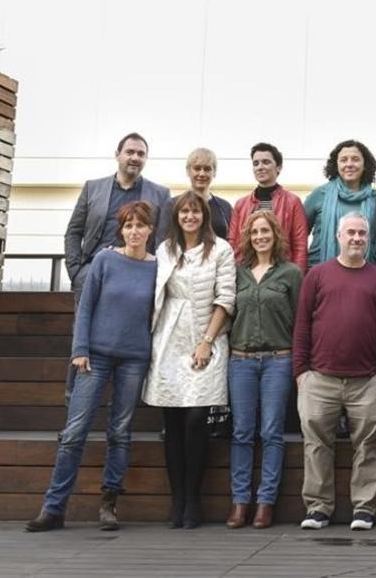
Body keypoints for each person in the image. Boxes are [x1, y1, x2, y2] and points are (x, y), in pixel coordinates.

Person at [26, 201, 159, 532]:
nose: (134, 231)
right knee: (74, 432)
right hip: (94, 356)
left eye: (140, 225)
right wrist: (80, 349)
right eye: (128, 225)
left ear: (150, 230)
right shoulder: (105, 259)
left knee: (120, 431)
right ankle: (53, 508)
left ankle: (109, 504)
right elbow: (85, 307)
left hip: (134, 358)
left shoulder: (158, 267)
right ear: (121, 229)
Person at [293, 212, 376, 531]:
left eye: (362, 233)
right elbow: (302, 326)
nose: (356, 238)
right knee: (316, 445)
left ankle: (364, 508)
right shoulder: (317, 275)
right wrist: (301, 372)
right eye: (350, 232)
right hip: (319, 378)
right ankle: (318, 507)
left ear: (368, 239)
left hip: (366, 381)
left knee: (368, 445)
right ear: (338, 236)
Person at [144, 191, 237, 529]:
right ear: (176, 216)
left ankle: (194, 499)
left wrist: (207, 341)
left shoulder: (221, 249)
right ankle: (177, 499)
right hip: (169, 338)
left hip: (205, 337)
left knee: (198, 417)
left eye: (195, 211)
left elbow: (226, 297)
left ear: (204, 215)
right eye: (183, 211)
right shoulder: (165, 250)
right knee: (174, 422)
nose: (189, 216)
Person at [225, 211, 303, 530]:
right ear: (248, 237)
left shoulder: (291, 273)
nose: (260, 237)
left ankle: (265, 503)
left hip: (278, 360)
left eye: (265, 231)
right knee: (242, 432)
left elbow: (300, 322)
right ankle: (240, 501)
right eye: (255, 232)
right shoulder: (236, 273)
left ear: (276, 235)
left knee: (271, 432)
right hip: (241, 361)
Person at [64, 133, 170, 298]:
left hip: (139, 277)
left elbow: (164, 242)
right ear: (117, 154)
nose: (135, 157)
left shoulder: (160, 194)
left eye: (141, 154)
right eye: (130, 152)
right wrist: (76, 272)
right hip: (93, 274)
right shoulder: (92, 188)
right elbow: (74, 232)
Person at [229, 142, 309, 270]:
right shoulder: (240, 205)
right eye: (256, 163)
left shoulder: (292, 202)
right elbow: (233, 244)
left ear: (278, 167)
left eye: (266, 162)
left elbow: (300, 245)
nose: (260, 167)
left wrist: (296, 278)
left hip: (281, 273)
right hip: (247, 274)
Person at [304, 139, 376, 268]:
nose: (349, 164)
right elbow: (298, 236)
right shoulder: (319, 195)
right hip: (320, 272)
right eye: (343, 160)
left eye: (355, 159)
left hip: (365, 273)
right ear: (336, 165)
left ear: (365, 164)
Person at [157, 147, 233, 243]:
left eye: (207, 169)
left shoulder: (225, 207)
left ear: (214, 173)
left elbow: (232, 241)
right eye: (197, 168)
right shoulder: (173, 205)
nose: (202, 173)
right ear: (188, 171)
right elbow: (162, 242)